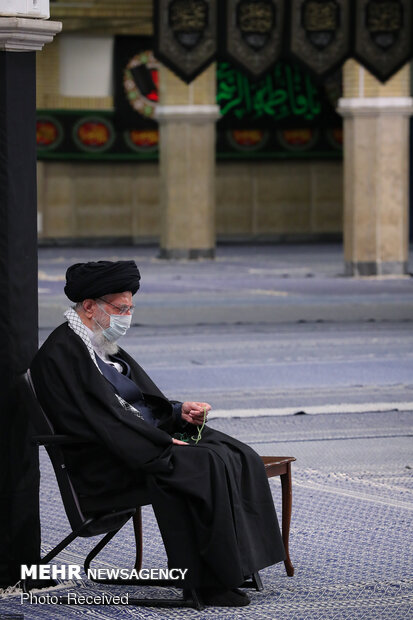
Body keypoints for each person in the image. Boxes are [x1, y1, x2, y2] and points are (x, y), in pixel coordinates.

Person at [30, 260, 285, 607]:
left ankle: (237, 567)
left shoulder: (95, 341)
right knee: (203, 463)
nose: (126, 317)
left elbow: (135, 399)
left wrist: (177, 412)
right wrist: (160, 441)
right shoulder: (63, 353)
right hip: (104, 461)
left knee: (234, 451)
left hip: (134, 440)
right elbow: (100, 421)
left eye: (130, 309)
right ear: (89, 307)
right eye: (121, 309)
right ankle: (206, 582)